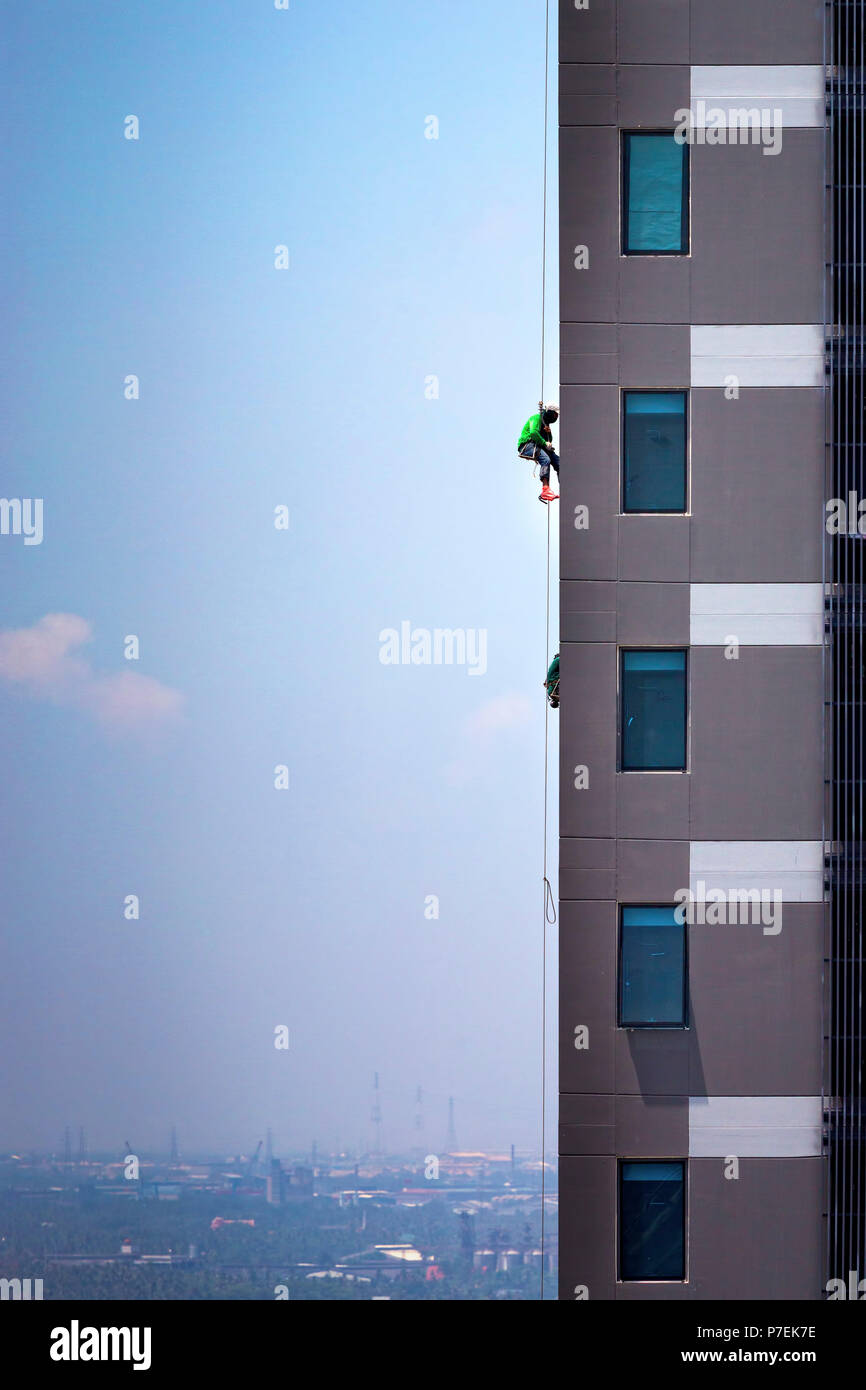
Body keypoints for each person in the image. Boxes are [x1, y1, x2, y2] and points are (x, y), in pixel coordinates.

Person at [518, 403, 560, 503]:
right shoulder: (536, 418)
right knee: (545, 459)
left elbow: (549, 439)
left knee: (559, 463)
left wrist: (547, 435)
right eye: (555, 415)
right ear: (550, 412)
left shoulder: (546, 425)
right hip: (527, 445)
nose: (556, 417)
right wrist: (544, 443)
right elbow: (533, 433)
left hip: (538, 445)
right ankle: (545, 489)